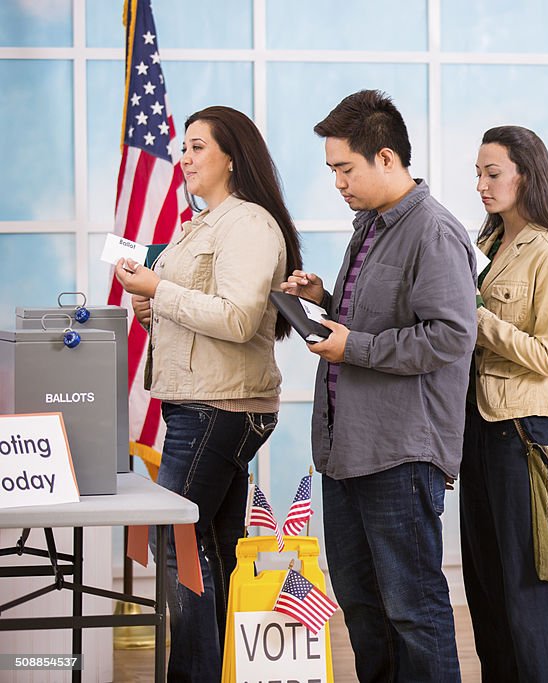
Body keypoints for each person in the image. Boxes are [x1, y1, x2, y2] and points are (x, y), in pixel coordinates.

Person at [281, 89, 476, 682]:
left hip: (400, 453)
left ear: (385, 159)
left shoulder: (434, 231)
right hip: (348, 453)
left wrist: (353, 346)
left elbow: (449, 336)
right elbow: (378, 316)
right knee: (363, 609)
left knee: (414, 611)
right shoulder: (369, 227)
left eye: (345, 168)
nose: (337, 181)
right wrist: (324, 301)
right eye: (333, 170)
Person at [113, 105, 302, 681]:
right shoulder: (202, 224)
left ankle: (191, 676)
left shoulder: (247, 224)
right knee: (212, 542)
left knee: (179, 542)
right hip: (203, 402)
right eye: (184, 147)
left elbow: (241, 319)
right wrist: (151, 307)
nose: (185, 157)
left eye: (198, 147)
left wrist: (160, 292)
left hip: (219, 407)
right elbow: (200, 317)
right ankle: (216, 672)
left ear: (231, 156)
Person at [461, 125, 548, 682]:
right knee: (484, 584)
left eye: (493, 173)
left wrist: (475, 318)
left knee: (525, 585)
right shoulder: (484, 245)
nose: (482, 184)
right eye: (479, 173)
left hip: (528, 433)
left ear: (525, 176)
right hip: (480, 430)